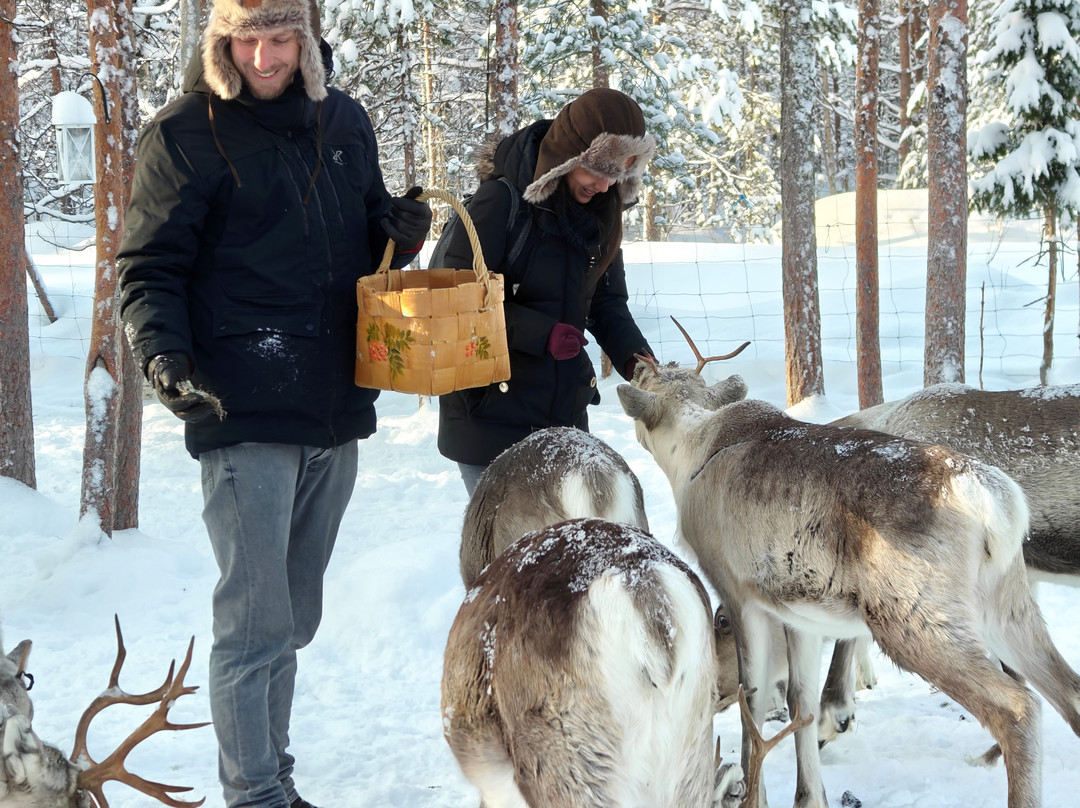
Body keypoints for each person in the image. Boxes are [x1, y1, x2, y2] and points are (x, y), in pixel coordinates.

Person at [116, 1, 431, 807]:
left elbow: (365, 242)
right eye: (246, 37)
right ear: (222, 39)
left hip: (334, 403)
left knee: (293, 620)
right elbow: (148, 265)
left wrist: (401, 229)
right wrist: (161, 352)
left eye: (279, 37)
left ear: (305, 40)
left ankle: (273, 780)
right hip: (241, 403)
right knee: (254, 627)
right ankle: (254, 795)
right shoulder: (186, 133)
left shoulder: (345, 122)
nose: (263, 55)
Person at [433, 88, 655, 495]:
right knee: (511, 557)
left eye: (617, 174)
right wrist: (542, 334)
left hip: (562, 418)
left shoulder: (601, 216)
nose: (605, 186)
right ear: (571, 155)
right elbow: (454, 301)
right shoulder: (500, 202)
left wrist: (639, 364)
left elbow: (607, 305)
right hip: (489, 420)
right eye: (598, 171)